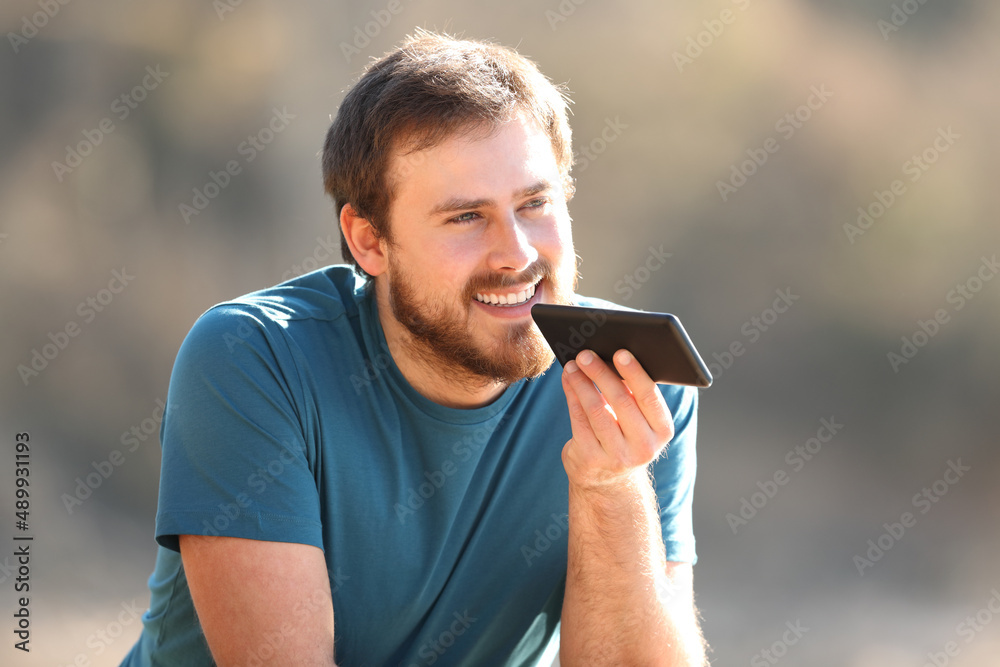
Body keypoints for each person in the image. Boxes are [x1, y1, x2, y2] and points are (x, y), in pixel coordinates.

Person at [121, 29, 708, 667]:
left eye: (535, 203)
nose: (517, 254)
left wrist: (610, 485)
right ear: (369, 241)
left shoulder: (627, 383)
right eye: (466, 217)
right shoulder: (253, 360)